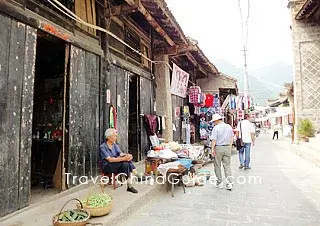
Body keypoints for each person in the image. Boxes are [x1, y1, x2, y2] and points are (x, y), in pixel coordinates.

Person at [99, 128, 139, 193]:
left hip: (116, 165)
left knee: (126, 163)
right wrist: (123, 159)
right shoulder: (103, 147)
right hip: (107, 167)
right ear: (109, 137)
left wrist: (127, 155)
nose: (116, 137)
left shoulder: (115, 145)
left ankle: (130, 185)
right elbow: (110, 160)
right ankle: (136, 175)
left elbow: (121, 154)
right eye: (115, 136)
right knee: (125, 162)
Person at [210, 114, 234, 190]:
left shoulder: (216, 128)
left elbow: (214, 139)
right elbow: (232, 137)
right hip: (227, 147)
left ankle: (219, 182)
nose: (214, 123)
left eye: (214, 121)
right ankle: (229, 183)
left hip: (218, 148)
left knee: (217, 165)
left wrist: (212, 149)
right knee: (227, 166)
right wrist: (230, 146)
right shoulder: (229, 127)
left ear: (217, 120)